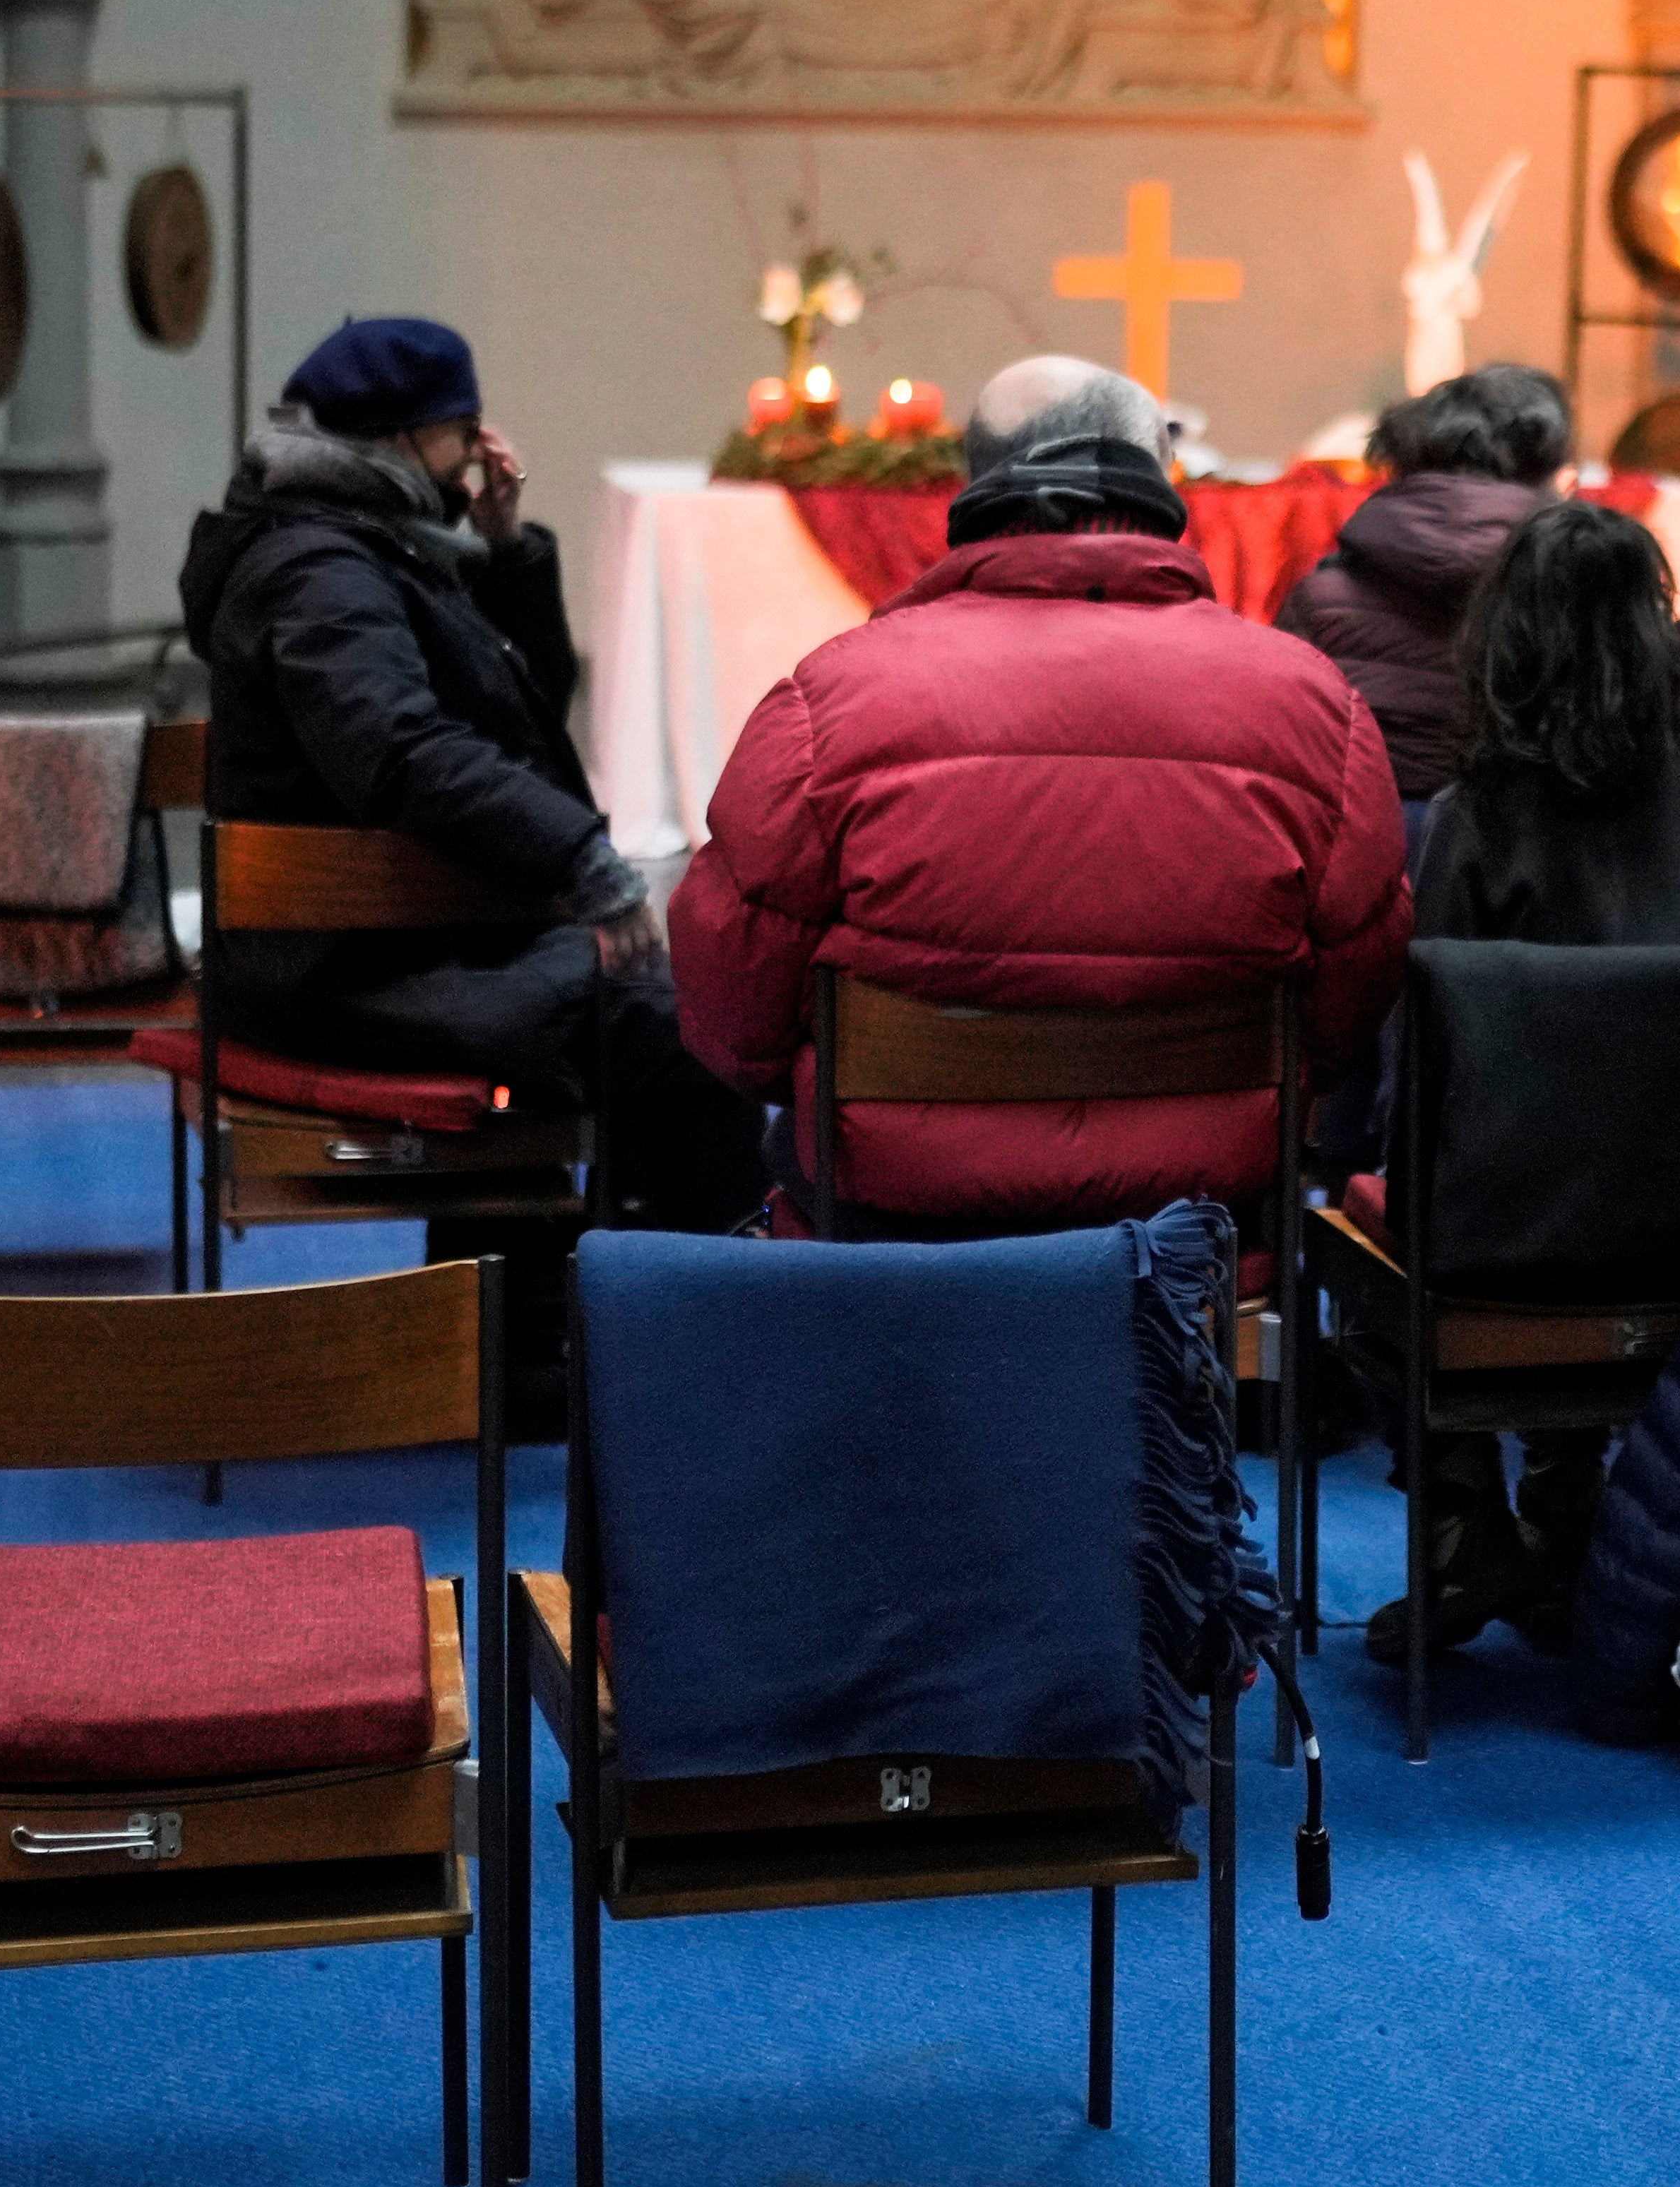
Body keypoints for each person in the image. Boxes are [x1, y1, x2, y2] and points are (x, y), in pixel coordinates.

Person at [669, 363, 1408, 1235]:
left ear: (973, 486)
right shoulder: (1313, 704)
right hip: (1195, 1227)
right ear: (1163, 482)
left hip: (893, 1224)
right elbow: (1354, 995)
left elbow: (731, 999)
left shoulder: (833, 698)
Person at [181, 316, 765, 1410]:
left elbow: (516, 718)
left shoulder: (368, 539)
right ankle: (692, 1353)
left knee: (659, 990)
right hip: (342, 975)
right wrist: (583, 858)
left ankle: (546, 1333)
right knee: (685, 1021)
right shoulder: (322, 569)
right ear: (409, 439)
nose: (477, 459)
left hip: (404, 943)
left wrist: (505, 549)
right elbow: (399, 753)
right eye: (463, 436)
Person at [1381, 496, 1680, 1658]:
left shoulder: (1473, 815)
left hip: (1507, 1221)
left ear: (1503, 639)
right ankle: (1568, 1498)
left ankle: (1460, 1518)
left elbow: (1427, 1044)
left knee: (1375, 1227)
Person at [1414, 502, 1680, 948]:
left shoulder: (1470, 816)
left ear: (1503, 639)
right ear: (1654, 634)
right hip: (1671, 1018)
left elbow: (1434, 991)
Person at [1280, 365, 1571, 805]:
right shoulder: (1583, 590)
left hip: (1364, 850)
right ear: (1546, 468)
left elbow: (1281, 753)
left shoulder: (1320, 601)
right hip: (1526, 855)